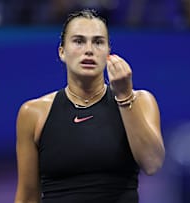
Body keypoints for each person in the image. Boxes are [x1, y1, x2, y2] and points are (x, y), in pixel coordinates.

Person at [14, 9, 165, 203]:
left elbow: (152, 163)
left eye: (98, 42)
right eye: (78, 41)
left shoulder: (140, 101)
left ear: (108, 52)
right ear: (62, 52)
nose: (89, 50)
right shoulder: (33, 113)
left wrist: (124, 96)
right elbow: (27, 197)